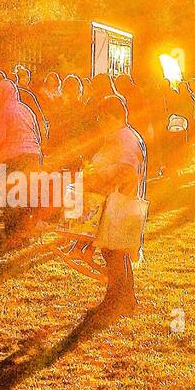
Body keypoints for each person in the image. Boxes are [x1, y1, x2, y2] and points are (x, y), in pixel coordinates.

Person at [84, 94, 147, 319]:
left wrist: (98, 178)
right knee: (117, 254)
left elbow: (126, 169)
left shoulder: (123, 138)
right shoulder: (129, 135)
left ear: (113, 116)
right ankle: (125, 300)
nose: (100, 123)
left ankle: (116, 303)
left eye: (103, 117)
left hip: (119, 202)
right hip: (123, 201)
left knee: (115, 254)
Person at [0, 77, 44, 243]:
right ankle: (25, 232)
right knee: (27, 195)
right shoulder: (25, 109)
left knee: (12, 196)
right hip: (34, 155)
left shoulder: (4, 111)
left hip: (14, 157)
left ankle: (13, 235)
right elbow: (38, 133)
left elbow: (0, 138)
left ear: (1, 94)